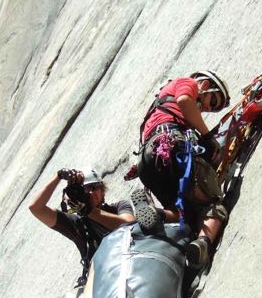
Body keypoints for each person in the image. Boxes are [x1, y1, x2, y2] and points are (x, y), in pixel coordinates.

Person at [134, 70, 231, 267]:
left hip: (147, 163)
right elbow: (185, 100)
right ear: (205, 84)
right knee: (213, 204)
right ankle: (202, 244)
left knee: (183, 215)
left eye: (212, 109)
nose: (206, 108)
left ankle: (157, 214)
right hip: (171, 147)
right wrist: (207, 137)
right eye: (212, 102)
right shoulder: (188, 83)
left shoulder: (161, 105)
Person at [29, 168, 135, 277]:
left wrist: (88, 211)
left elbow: (131, 225)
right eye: (84, 189)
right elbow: (36, 208)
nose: (90, 192)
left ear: (102, 189)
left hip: (130, 260)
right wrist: (58, 176)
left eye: (94, 187)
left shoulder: (119, 207)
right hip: (102, 276)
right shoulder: (77, 224)